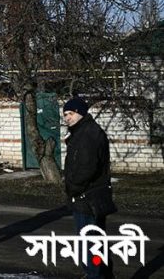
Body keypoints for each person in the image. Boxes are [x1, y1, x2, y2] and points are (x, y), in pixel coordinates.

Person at [63, 96, 116, 279]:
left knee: (89, 246)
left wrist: (73, 188)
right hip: (88, 197)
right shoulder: (82, 132)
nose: (66, 118)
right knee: (96, 242)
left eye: (70, 114)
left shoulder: (88, 134)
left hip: (88, 197)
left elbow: (86, 168)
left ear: (80, 113)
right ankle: (104, 275)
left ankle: (95, 275)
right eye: (65, 114)